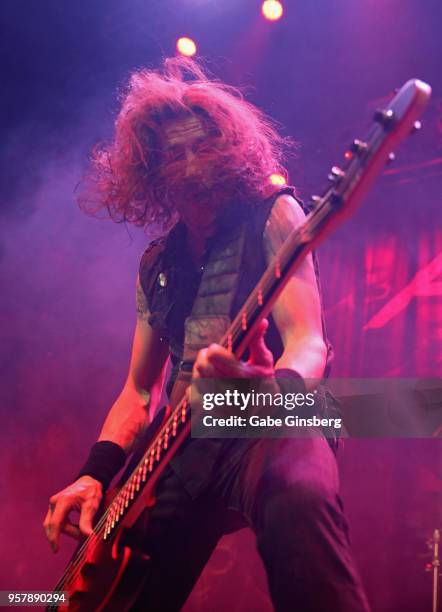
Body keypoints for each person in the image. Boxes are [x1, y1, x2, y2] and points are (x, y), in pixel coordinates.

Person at [44, 57, 370, 611]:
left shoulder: (275, 212)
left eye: (205, 146)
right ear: (151, 170)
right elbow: (139, 391)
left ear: (232, 150)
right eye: (175, 153)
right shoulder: (156, 264)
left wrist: (278, 391)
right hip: (182, 446)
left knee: (300, 498)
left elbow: (308, 340)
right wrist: (93, 474)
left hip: (271, 416)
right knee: (115, 594)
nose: (193, 162)